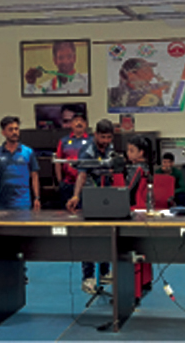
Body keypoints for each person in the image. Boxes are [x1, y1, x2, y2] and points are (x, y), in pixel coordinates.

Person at [66, 119, 116, 294]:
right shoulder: (87, 151)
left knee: (107, 235)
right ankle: (88, 277)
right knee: (89, 237)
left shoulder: (110, 147)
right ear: (96, 135)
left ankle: (104, 272)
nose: (106, 141)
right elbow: (81, 175)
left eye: (109, 137)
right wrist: (75, 196)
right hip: (89, 197)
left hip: (106, 197)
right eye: (103, 137)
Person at [0, 116, 41, 211]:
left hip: (23, 204)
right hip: (2, 205)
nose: (14, 132)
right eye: (10, 130)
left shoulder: (28, 152)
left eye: (16, 129)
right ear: (3, 132)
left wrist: (37, 198)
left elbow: (34, 176)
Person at [55, 111, 91, 206]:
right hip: (68, 183)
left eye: (82, 121)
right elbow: (58, 161)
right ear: (71, 124)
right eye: (76, 120)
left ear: (86, 124)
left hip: (86, 184)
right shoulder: (64, 141)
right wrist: (60, 181)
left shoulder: (91, 141)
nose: (79, 123)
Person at [24, 41, 89, 95]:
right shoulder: (45, 88)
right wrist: (30, 84)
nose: (66, 61)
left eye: (69, 56)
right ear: (55, 60)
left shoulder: (87, 80)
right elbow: (28, 101)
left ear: (74, 58)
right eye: (61, 58)